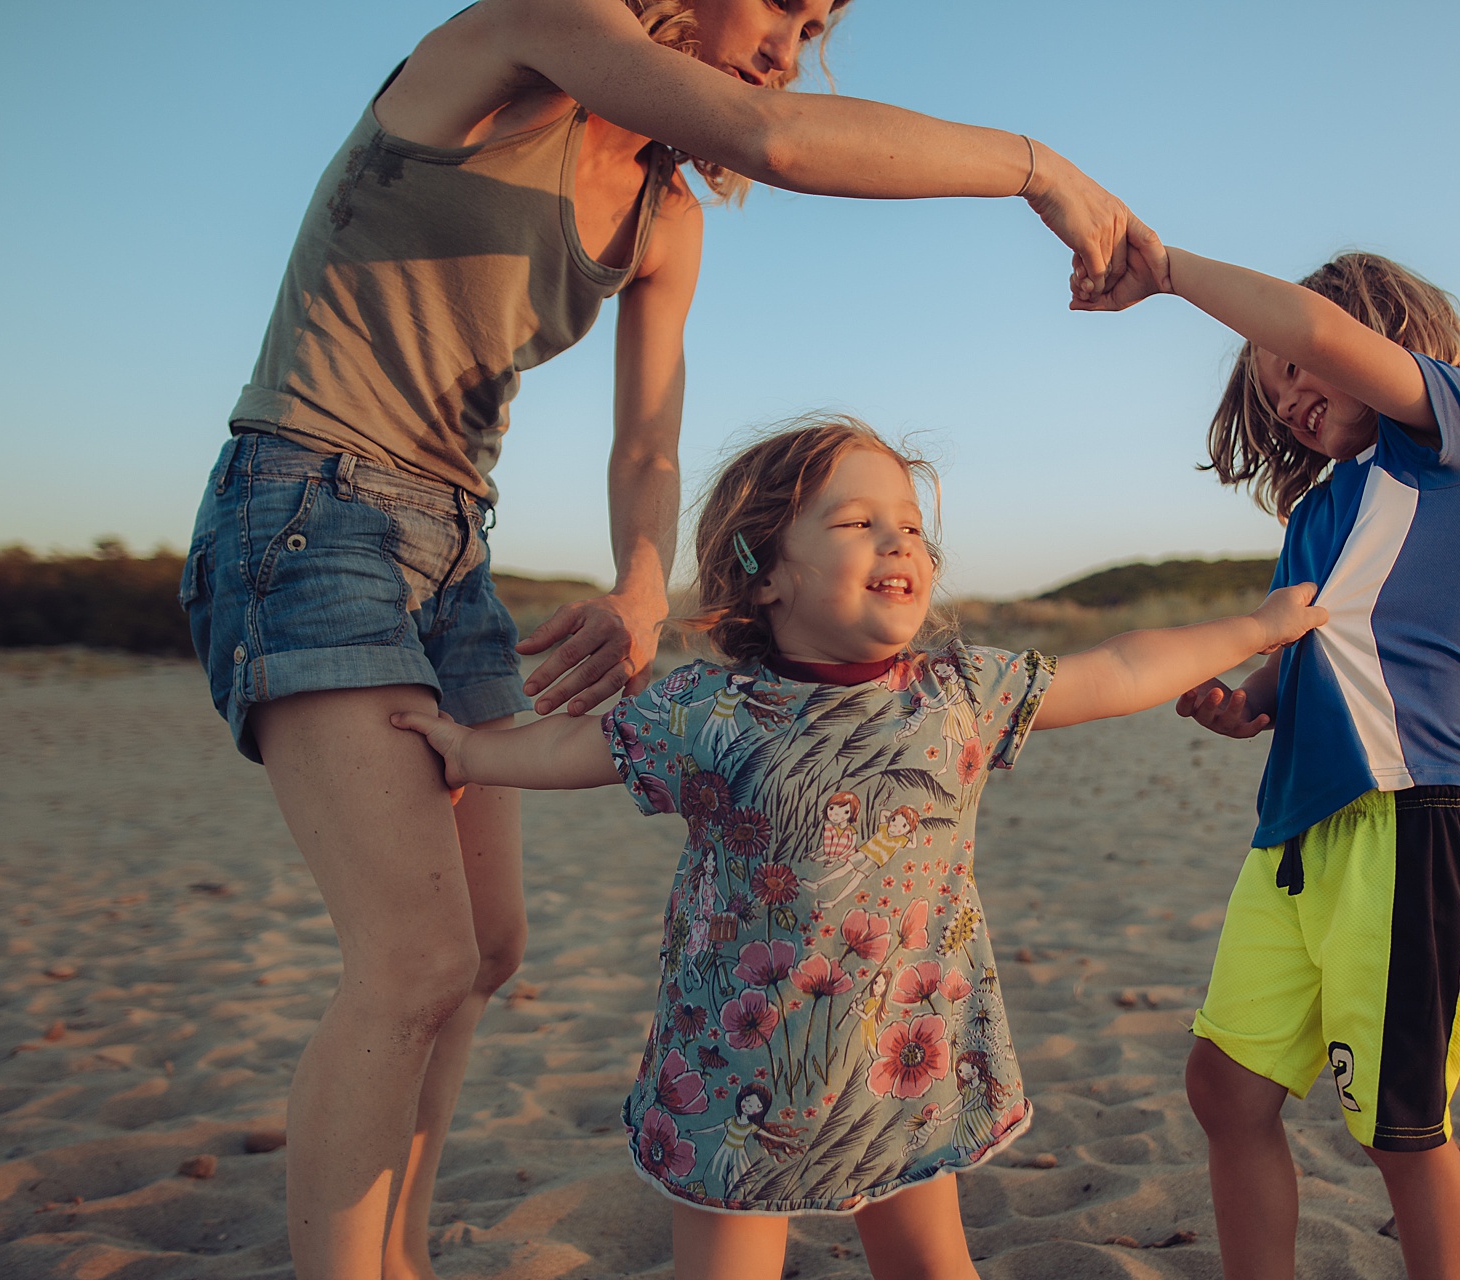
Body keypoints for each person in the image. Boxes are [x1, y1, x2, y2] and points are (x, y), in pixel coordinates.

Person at [178, 3, 1158, 1275]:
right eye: (783, 9)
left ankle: (401, 1253)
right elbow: (775, 134)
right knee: (411, 960)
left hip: (451, 539)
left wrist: (642, 587)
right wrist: (1042, 168)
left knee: (486, 949)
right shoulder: (524, 39)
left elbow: (645, 445)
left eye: (817, 29)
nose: (791, 49)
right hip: (307, 507)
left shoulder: (665, 218)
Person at [392, 415, 1326, 1279]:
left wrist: (1255, 629)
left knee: (929, 1265)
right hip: (737, 1074)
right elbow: (574, 745)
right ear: (767, 573)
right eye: (858, 522)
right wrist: (474, 749)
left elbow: (1119, 667)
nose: (900, 543)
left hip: (904, 1060)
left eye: (912, 527)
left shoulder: (958, 693)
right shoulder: (710, 711)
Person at [1075, 248, 1460, 1280]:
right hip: (1292, 835)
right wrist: (1250, 703)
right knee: (1223, 1088)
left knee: (1400, 1125)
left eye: (1299, 367)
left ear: (1382, 338)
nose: (1291, 394)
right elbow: (1311, 640)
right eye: (1271, 386)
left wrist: (1171, 271)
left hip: (1408, 819)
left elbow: (1319, 333)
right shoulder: (1319, 512)